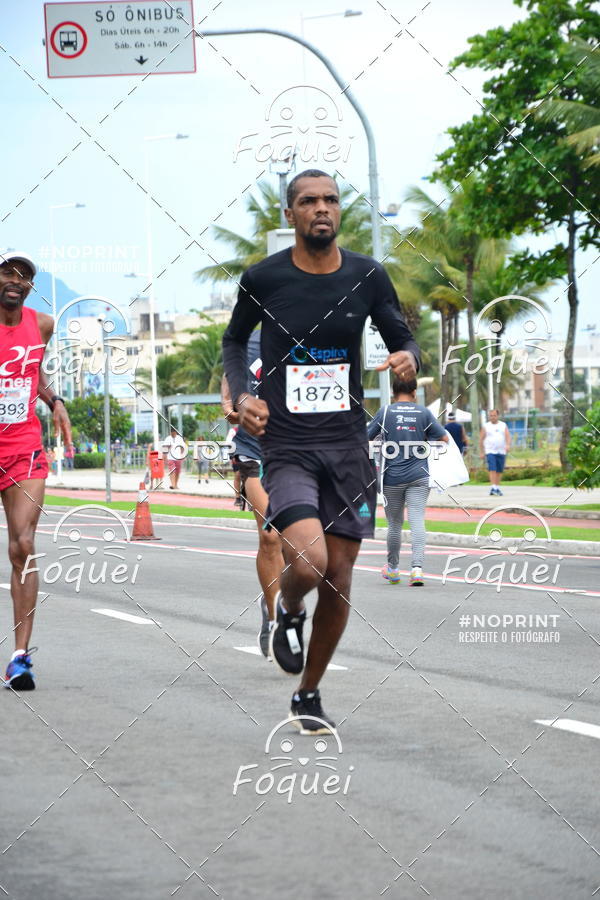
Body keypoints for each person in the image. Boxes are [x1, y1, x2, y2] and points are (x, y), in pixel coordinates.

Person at [222, 169, 420, 734]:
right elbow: (235, 341)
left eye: (330, 199)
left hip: (348, 447)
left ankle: (308, 693)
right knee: (309, 559)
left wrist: (409, 356)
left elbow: (399, 335)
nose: (322, 208)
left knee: (340, 578)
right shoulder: (264, 277)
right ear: (290, 215)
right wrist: (243, 395)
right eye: (309, 201)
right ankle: (286, 612)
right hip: (287, 444)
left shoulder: (367, 275)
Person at [0, 251, 72, 690]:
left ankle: (20, 657)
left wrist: (54, 400)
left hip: (23, 447)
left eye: (24, 276)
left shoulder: (41, 325)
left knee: (23, 545)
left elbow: (33, 374)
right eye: (8, 272)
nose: (15, 280)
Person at [221, 327, 285, 658]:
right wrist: (228, 400)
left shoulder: (313, 336)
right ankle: (276, 619)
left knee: (300, 545)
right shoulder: (249, 338)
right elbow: (231, 374)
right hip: (252, 448)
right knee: (271, 535)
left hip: (297, 449)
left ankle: (276, 598)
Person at [368, 378, 448, 586]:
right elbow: (443, 439)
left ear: (394, 393)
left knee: (394, 524)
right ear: (414, 392)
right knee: (417, 520)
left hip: (391, 478)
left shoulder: (385, 413)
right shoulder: (424, 413)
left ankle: (393, 570)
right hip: (419, 476)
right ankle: (417, 570)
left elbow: (366, 438)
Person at [480, 409, 511, 496]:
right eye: (491, 416)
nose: (492, 417)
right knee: (492, 468)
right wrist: (482, 452)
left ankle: (496, 488)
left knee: (499, 470)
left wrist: (508, 445)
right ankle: (493, 487)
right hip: (490, 451)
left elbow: (508, 436)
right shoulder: (486, 426)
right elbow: (481, 439)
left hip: (501, 451)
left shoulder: (503, 425)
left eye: (494, 415)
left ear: (497, 416)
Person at [162, 425, 186, 490]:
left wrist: (183, 456)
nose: (173, 434)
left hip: (178, 458)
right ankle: (172, 485)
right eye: (171, 432)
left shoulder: (180, 438)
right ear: (170, 433)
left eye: (174, 432)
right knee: (172, 471)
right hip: (170, 458)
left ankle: (176, 485)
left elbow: (183, 447)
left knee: (177, 472)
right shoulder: (167, 439)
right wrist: (164, 459)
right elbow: (164, 449)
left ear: (176, 432)